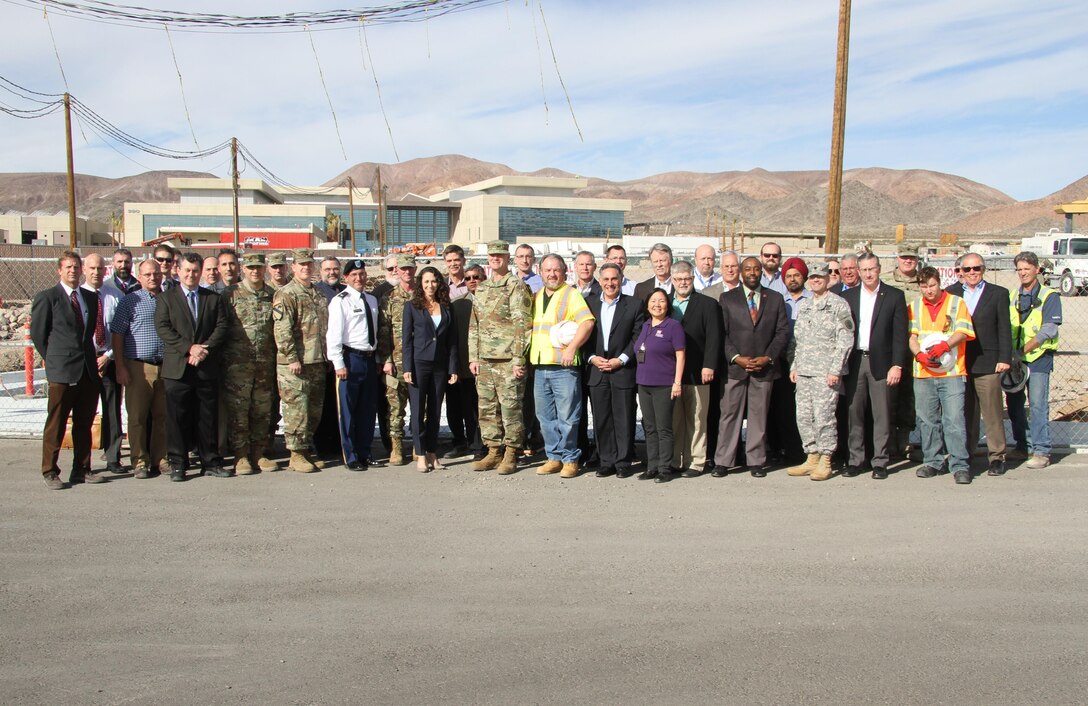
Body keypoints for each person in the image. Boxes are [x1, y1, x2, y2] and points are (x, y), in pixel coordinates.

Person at [155, 252, 231, 482]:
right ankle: (178, 463)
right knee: (177, 418)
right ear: (178, 271)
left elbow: (221, 327)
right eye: (187, 270)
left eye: (195, 271)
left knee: (207, 417)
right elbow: (163, 327)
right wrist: (189, 348)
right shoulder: (166, 298)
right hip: (178, 368)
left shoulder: (213, 298)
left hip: (205, 367)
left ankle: (210, 461)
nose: (191, 274)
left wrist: (203, 349)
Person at [30, 251, 103, 489]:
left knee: (84, 422)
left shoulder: (90, 298)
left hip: (87, 371)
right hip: (62, 371)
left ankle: (82, 469)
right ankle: (50, 470)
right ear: (59, 270)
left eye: (76, 267)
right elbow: (39, 336)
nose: (73, 270)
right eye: (68, 267)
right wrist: (54, 360)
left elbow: (88, 334)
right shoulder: (48, 297)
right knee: (57, 422)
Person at [712, 257, 790, 478]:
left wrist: (768, 357)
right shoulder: (727, 298)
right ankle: (723, 461)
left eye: (756, 269)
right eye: (747, 269)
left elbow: (782, 332)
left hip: (764, 367)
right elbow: (722, 334)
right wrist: (736, 357)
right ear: (741, 272)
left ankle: (755, 460)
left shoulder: (775, 298)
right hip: (736, 367)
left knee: (759, 415)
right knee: (729, 414)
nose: (752, 272)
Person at [841, 253, 908, 480]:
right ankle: (855, 460)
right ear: (858, 272)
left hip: (881, 362)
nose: (868, 274)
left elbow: (900, 336)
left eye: (872, 269)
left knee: (882, 414)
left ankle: (880, 461)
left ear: (879, 269)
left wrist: (897, 365)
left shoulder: (894, 296)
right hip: (855, 360)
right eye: (864, 270)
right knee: (854, 412)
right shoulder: (848, 297)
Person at [529, 254, 595, 479]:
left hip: (564, 367)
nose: (552, 274)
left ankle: (570, 458)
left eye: (556, 270)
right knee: (545, 416)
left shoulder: (572, 294)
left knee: (568, 416)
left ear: (564, 271)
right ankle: (553, 456)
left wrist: (572, 348)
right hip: (540, 366)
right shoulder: (537, 296)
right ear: (540, 271)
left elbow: (587, 322)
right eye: (547, 270)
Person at [786, 262, 854, 481]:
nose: (816, 280)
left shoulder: (838, 305)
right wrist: (794, 366)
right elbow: (798, 340)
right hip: (804, 370)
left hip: (826, 372)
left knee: (824, 416)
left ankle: (826, 459)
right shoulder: (805, 305)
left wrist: (836, 369)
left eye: (820, 277)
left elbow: (845, 339)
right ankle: (811, 455)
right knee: (803, 416)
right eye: (813, 277)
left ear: (827, 279)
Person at [469, 240, 533, 474]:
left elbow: (522, 324)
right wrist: (473, 357)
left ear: (508, 258)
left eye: (500, 255)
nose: (496, 259)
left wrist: (519, 358)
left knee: (510, 408)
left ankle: (511, 452)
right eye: (492, 255)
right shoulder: (483, 288)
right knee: (487, 407)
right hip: (485, 359)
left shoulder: (516, 285)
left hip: (507, 360)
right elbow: (474, 325)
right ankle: (493, 450)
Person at [908, 267, 976, 484]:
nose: (928, 290)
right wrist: (919, 354)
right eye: (924, 286)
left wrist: (945, 346)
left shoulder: (956, 303)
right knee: (928, 420)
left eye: (932, 285)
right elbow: (912, 336)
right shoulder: (914, 306)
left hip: (952, 372)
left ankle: (959, 464)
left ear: (940, 283)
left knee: (954, 420)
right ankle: (932, 461)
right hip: (924, 373)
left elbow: (963, 331)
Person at [945, 254, 1012, 476]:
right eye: (968, 269)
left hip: (988, 362)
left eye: (977, 268)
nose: (972, 272)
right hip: (960, 363)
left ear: (983, 269)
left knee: (992, 412)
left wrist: (1004, 358)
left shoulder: (998, 294)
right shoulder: (952, 294)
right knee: (965, 413)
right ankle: (965, 454)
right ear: (960, 271)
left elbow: (1004, 328)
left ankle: (997, 456)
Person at [584, 263, 644, 478]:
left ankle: (623, 462)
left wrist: (622, 359)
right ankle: (606, 460)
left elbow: (638, 337)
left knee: (624, 417)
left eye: (614, 279)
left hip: (622, 369)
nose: (610, 283)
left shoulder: (634, 305)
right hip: (597, 369)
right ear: (600, 281)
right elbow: (583, 337)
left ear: (621, 280)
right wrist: (592, 358)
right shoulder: (588, 304)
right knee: (602, 418)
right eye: (606, 279)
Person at [272, 248, 329, 473]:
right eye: (301, 264)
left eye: (309, 264)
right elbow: (282, 329)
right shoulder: (286, 294)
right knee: (297, 409)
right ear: (293, 267)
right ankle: (295, 455)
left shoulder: (318, 293)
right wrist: (292, 357)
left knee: (313, 410)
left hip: (316, 360)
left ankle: (305, 451)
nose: (306, 267)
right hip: (295, 364)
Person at [221, 253, 279, 475]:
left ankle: (259, 453)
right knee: (239, 412)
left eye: (259, 267)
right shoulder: (230, 294)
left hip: (265, 364)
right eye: (251, 267)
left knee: (262, 411)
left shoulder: (272, 295)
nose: (255, 271)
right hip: (238, 366)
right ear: (244, 269)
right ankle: (240, 455)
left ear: (264, 269)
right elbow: (221, 327)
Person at [111, 259, 167, 479]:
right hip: (137, 367)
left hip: (164, 367)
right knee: (137, 417)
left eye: (156, 274)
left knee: (162, 417)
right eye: (147, 274)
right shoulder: (130, 301)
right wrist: (120, 366)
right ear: (140, 277)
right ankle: (139, 461)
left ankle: (160, 459)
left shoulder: (168, 299)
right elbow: (117, 335)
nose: (153, 278)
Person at [1006, 251, 1062, 470]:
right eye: (1019, 269)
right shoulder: (1012, 296)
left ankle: (1041, 450)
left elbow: (1049, 329)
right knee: (1014, 404)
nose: (1023, 273)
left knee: (1038, 404)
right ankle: (1022, 445)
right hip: (1015, 360)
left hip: (1038, 358)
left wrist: (1024, 349)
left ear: (1037, 269)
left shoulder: (1050, 296)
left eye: (1027, 269)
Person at [403, 266, 460, 472]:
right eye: (426, 281)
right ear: (420, 284)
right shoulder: (412, 306)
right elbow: (406, 340)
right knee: (417, 411)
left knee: (435, 411)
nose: (430, 285)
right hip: (419, 364)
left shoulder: (446, 306)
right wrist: (407, 366)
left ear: (439, 283)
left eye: (434, 281)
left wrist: (453, 368)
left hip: (440, 365)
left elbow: (452, 341)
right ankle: (419, 454)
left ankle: (432, 452)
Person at [668, 261, 721, 478]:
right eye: (679, 279)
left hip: (699, 371)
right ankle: (676, 460)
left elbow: (714, 338)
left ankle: (696, 461)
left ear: (693, 279)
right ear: (672, 280)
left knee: (697, 418)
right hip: (671, 373)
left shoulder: (707, 304)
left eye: (687, 279)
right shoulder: (665, 304)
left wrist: (709, 365)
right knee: (675, 419)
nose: (683, 283)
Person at [328, 259, 380, 471]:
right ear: (346, 278)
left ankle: (365, 452)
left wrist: (376, 359)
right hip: (350, 360)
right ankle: (351, 457)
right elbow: (333, 335)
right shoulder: (340, 301)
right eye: (354, 275)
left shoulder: (371, 300)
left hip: (369, 359)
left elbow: (374, 334)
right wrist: (338, 363)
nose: (359, 278)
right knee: (348, 412)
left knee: (367, 410)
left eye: (362, 274)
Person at [634, 290, 686, 483]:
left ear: (668, 304)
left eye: (662, 301)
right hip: (644, 383)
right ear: (647, 305)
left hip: (664, 384)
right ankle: (652, 466)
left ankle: (664, 468)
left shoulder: (673, 326)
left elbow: (681, 355)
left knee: (663, 427)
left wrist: (677, 382)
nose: (657, 304)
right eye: (653, 301)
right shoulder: (645, 325)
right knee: (649, 427)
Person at [767, 256, 812, 465]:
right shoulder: (777, 299)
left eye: (796, 275)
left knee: (804, 409)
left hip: (807, 361)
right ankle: (779, 449)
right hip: (781, 359)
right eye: (789, 276)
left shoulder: (813, 299)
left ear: (804, 277)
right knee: (781, 408)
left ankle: (803, 451)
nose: (793, 279)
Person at [81, 253, 123, 474]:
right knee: (85, 411)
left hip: (109, 359)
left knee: (112, 410)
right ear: (84, 270)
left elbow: (120, 331)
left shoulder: (115, 296)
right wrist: (91, 357)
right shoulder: (77, 296)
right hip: (85, 362)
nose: (96, 272)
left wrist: (108, 356)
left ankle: (113, 457)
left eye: (99, 268)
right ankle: (83, 461)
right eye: (91, 268)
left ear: (105, 270)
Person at [882, 242, 923, 459]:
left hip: (916, 346)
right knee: (889, 393)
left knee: (911, 394)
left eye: (912, 258)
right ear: (897, 258)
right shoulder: (886, 281)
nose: (908, 261)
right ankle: (886, 441)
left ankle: (904, 439)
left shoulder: (924, 282)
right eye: (904, 257)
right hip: (891, 345)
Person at [377, 253, 416, 466]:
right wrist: (387, 359)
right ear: (398, 271)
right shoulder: (389, 298)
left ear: (415, 270)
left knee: (422, 407)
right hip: (396, 361)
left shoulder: (424, 295)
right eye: (403, 269)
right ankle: (397, 447)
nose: (407, 272)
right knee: (395, 408)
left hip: (419, 362)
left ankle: (419, 445)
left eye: (410, 268)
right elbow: (383, 332)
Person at [445, 264, 484, 460]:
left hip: (489, 365)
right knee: (460, 407)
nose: (472, 280)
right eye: (467, 278)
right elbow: (453, 338)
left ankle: (482, 445)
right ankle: (461, 442)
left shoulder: (494, 302)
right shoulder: (457, 304)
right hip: (464, 365)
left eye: (476, 276)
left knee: (482, 409)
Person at [312, 255, 345, 462]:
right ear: (320, 271)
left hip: (343, 357)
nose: (331, 272)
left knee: (339, 404)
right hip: (321, 357)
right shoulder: (315, 292)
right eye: (327, 269)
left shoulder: (345, 291)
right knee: (323, 405)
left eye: (335, 269)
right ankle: (322, 446)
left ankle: (338, 443)